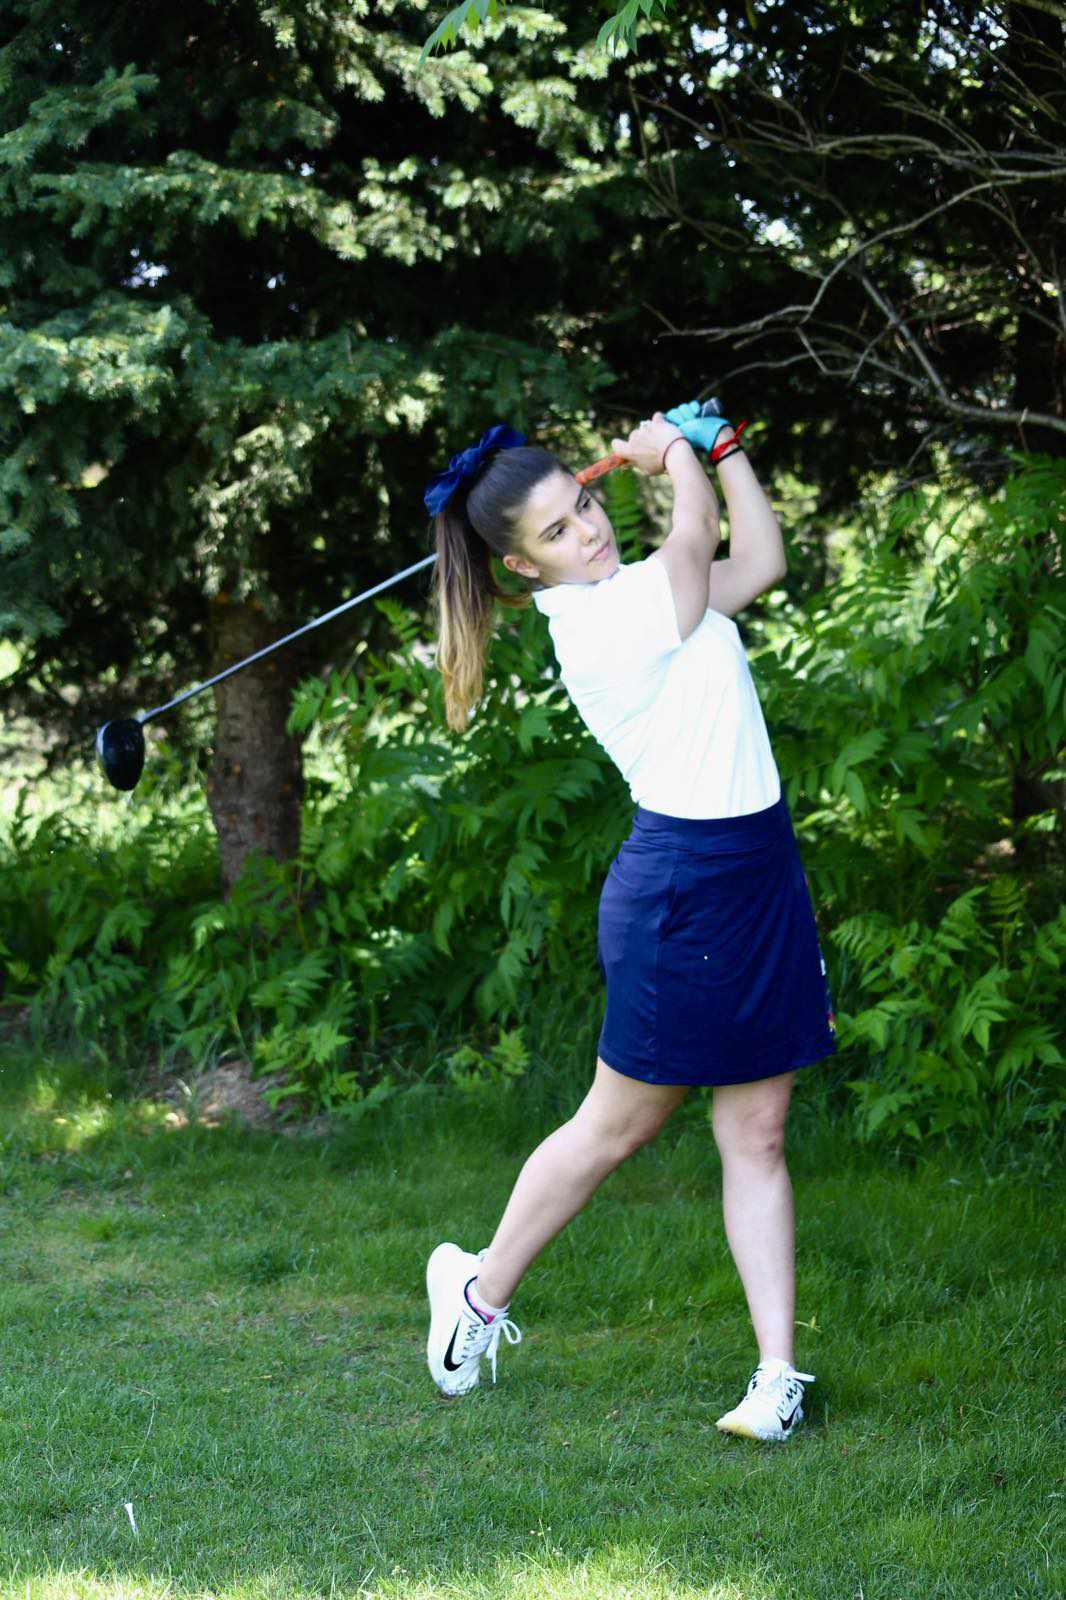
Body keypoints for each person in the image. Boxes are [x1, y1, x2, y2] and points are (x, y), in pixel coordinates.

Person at [421, 402, 838, 1443]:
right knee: (618, 1125)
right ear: (523, 568)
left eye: (584, 504)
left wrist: (725, 452)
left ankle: (776, 1377)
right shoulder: (598, 623)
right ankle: (476, 1295)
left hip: (757, 870)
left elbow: (759, 561)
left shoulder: (642, 592)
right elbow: (693, 543)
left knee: (757, 1128)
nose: (589, 530)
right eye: (558, 531)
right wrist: (677, 461)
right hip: (680, 892)